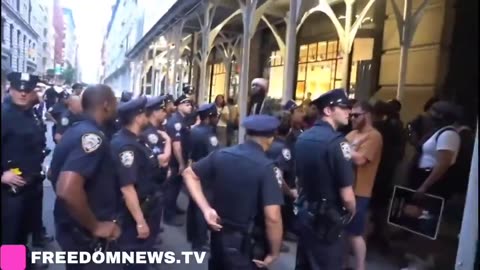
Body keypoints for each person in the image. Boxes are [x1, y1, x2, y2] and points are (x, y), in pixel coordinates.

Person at [182, 114, 284, 269]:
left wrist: (206, 209)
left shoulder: (222, 154)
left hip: (219, 234)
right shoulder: (267, 168)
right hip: (246, 243)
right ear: (270, 139)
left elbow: (189, 174)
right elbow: (273, 217)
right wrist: (274, 252)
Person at [49, 84, 121, 270]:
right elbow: (67, 188)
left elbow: (53, 174)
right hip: (12, 190)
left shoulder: (77, 129)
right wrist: (95, 226)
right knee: (11, 239)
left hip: (70, 221)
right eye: (114, 102)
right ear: (106, 104)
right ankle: (12, 266)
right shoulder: (91, 136)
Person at [294, 89, 356, 270]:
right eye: (343, 107)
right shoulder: (337, 143)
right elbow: (347, 195)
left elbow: (299, 179)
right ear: (328, 111)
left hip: (306, 211)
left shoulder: (303, 137)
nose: (348, 112)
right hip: (328, 218)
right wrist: (351, 211)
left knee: (304, 263)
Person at [1, 72, 50, 269]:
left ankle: (24, 264)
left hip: (30, 184)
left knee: (23, 230)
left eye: (27, 90)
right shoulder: (4, 115)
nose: (22, 94)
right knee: (10, 235)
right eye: (18, 89)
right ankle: (13, 267)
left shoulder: (31, 113)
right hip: (10, 190)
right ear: (10, 89)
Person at [111, 97, 163, 269]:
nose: (147, 117)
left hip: (146, 205)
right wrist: (140, 222)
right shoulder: (127, 146)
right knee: (134, 259)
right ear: (137, 117)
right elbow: (127, 187)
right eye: (144, 114)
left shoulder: (135, 140)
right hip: (134, 213)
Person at [345, 101, 383, 270]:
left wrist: (341, 149)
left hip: (361, 190)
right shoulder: (352, 134)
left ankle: (361, 267)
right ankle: (343, 264)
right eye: (351, 114)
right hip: (346, 188)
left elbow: (360, 159)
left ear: (367, 115)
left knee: (355, 232)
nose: (351, 118)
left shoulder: (374, 136)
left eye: (356, 115)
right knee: (344, 232)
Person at [187, 103, 221, 252]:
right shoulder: (209, 135)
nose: (217, 119)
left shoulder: (194, 131)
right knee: (203, 206)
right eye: (215, 116)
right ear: (209, 117)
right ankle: (200, 242)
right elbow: (215, 156)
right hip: (205, 173)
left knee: (193, 203)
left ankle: (191, 235)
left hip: (193, 168)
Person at [142, 95, 172, 242]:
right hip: (152, 184)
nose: (165, 113)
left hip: (157, 182)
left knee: (154, 220)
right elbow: (163, 160)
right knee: (150, 221)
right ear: (154, 112)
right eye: (162, 110)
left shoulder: (156, 130)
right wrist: (168, 141)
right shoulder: (151, 134)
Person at [163, 94, 193, 226]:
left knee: (176, 187)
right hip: (175, 161)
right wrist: (181, 163)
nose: (190, 107)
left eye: (190, 104)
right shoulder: (176, 121)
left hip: (181, 158)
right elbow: (176, 145)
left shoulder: (183, 119)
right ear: (179, 106)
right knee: (172, 188)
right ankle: (168, 216)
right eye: (186, 104)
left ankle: (173, 207)